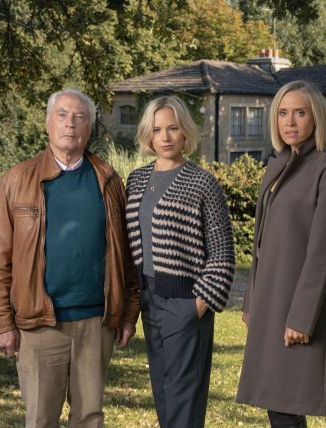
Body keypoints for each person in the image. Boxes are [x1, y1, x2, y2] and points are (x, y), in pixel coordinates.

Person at [0, 88, 140, 427]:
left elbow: (126, 256)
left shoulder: (109, 181)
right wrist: (0, 321)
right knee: (41, 418)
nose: (71, 124)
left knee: (90, 418)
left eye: (80, 117)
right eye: (63, 115)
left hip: (96, 324)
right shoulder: (15, 181)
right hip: (40, 326)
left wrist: (127, 313)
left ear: (90, 128)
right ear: (47, 124)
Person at [236, 80, 326, 427]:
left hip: (299, 310)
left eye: (300, 113)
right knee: (277, 404)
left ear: (316, 117)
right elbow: (260, 245)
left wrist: (302, 318)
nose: (290, 122)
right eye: (283, 113)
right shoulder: (277, 166)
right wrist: (251, 301)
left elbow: (323, 252)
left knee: (287, 405)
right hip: (270, 303)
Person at [125, 95, 235, 428]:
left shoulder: (202, 183)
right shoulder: (137, 180)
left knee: (184, 397)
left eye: (173, 128)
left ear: (185, 132)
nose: (166, 136)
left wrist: (199, 304)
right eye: (158, 129)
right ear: (148, 136)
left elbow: (222, 252)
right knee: (163, 390)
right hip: (149, 301)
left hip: (185, 301)